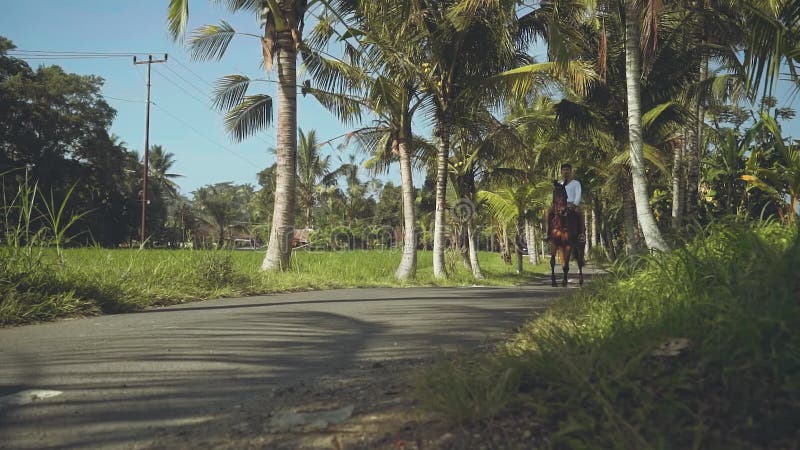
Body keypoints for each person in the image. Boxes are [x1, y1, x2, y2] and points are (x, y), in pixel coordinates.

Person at [545, 163, 586, 243]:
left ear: (570, 172)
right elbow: (555, 195)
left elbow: (578, 195)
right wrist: (554, 204)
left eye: (567, 170)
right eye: (564, 170)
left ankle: (581, 234)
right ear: (561, 172)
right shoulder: (559, 184)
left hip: (572, 204)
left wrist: (574, 204)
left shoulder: (576, 183)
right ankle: (547, 233)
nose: (565, 172)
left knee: (579, 212)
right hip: (559, 205)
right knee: (548, 213)